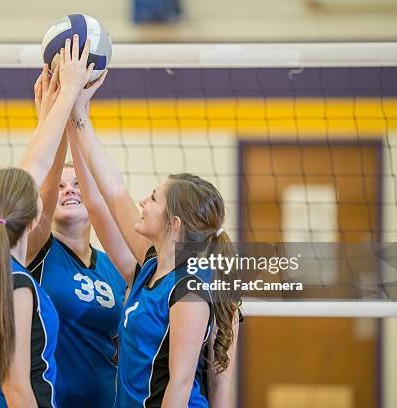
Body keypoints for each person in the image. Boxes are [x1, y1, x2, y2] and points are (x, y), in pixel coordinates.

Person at [69, 72, 241, 408]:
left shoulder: (189, 290)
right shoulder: (151, 267)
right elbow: (111, 189)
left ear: (174, 224)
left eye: (152, 198)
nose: (142, 204)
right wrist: (77, 112)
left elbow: (179, 385)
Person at [0, 34, 93, 407]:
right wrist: (70, 95)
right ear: (35, 222)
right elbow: (17, 390)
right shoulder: (14, 284)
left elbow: (31, 173)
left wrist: (53, 110)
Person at [25, 67, 135, 408]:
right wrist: (58, 110)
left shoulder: (114, 266)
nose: (68, 191)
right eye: (60, 187)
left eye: (76, 185)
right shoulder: (37, 250)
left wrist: (78, 115)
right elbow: (41, 189)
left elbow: (101, 199)